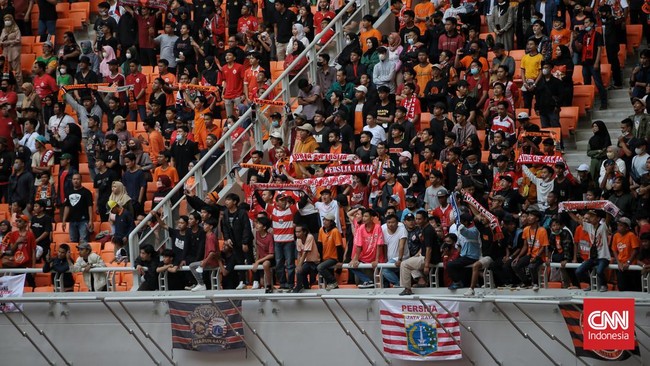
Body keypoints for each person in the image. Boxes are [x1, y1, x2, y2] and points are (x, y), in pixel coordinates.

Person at [220, 193, 253, 290]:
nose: (226, 202)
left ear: (235, 202)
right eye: (226, 200)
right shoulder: (225, 213)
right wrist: (227, 238)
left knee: (250, 260)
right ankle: (242, 281)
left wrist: (245, 242)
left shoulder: (242, 212)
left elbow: (247, 228)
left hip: (244, 241)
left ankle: (255, 281)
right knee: (239, 261)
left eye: (229, 200)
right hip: (233, 242)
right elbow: (225, 228)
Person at [348, 207, 385, 288]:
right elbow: (359, 245)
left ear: (372, 218)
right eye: (363, 216)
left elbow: (379, 244)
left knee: (380, 282)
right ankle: (367, 280)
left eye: (366, 216)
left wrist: (377, 260)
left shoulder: (378, 227)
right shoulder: (361, 228)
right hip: (364, 258)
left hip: (375, 257)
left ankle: (369, 282)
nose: (363, 218)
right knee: (350, 265)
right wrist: (356, 259)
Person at [188, 218, 222, 291]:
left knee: (192, 266)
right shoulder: (209, 236)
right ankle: (200, 284)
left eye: (206, 224)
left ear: (211, 226)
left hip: (211, 262)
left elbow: (212, 252)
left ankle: (201, 284)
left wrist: (205, 261)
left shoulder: (210, 237)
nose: (204, 226)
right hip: (210, 261)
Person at [61, 173, 94, 243]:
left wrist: (91, 220)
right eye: (74, 179)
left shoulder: (87, 192)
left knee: (84, 240)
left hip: (83, 220)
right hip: (72, 221)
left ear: (81, 180)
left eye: (78, 179)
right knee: (73, 241)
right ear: (72, 180)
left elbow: (90, 206)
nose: (76, 181)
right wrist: (64, 220)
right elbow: (67, 207)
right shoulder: (68, 192)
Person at [611, 217, 640, 291]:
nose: (618, 227)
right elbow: (614, 250)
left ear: (627, 228)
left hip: (631, 265)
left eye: (621, 226)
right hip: (621, 265)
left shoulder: (631, 235)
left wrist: (628, 262)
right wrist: (618, 263)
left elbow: (635, 250)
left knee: (633, 287)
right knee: (621, 287)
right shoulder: (616, 235)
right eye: (618, 225)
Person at [317, 213, 344, 290]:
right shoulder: (321, 230)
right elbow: (320, 245)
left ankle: (333, 282)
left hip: (333, 257)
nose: (324, 221)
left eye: (327, 220)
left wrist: (340, 261)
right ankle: (334, 287)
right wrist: (320, 258)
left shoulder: (335, 231)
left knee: (320, 267)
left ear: (331, 222)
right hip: (325, 257)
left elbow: (339, 247)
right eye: (324, 219)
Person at [252, 216, 275, 293]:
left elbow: (271, 254)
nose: (257, 225)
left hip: (269, 259)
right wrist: (256, 260)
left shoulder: (269, 237)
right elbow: (258, 248)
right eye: (257, 223)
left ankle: (269, 286)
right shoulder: (257, 234)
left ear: (264, 227)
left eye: (259, 224)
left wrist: (258, 261)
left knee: (265, 264)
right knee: (261, 282)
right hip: (261, 258)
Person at [294, 224, 319, 293]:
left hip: (314, 261)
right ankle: (304, 287)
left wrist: (299, 265)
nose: (297, 234)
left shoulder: (310, 237)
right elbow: (299, 253)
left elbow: (305, 252)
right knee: (300, 271)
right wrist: (299, 265)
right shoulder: (298, 240)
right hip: (306, 262)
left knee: (300, 270)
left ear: (304, 232)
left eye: (299, 232)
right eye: (296, 232)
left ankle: (299, 286)